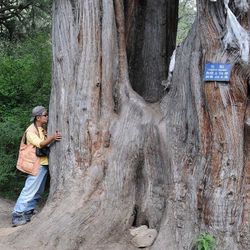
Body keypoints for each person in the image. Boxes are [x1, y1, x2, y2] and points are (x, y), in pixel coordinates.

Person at [12, 106, 62, 227]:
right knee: (29, 190)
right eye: (45, 115)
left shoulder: (41, 128)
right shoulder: (30, 131)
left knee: (38, 191)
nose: (47, 117)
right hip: (35, 165)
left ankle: (28, 212)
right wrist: (52, 138)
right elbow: (40, 144)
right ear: (38, 117)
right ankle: (17, 215)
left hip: (43, 164)